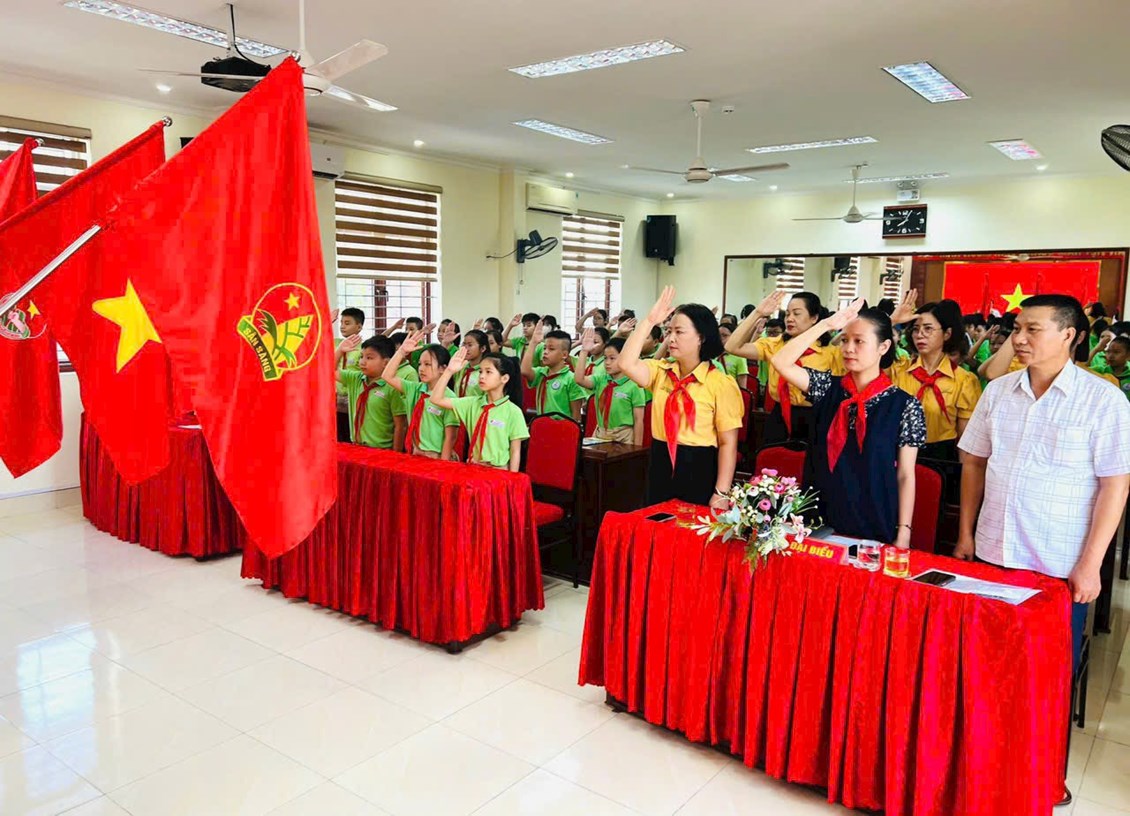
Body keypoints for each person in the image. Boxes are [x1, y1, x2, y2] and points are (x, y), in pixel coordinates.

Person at [956, 296, 1130, 806]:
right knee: (988, 667)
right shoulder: (998, 391)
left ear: (1069, 335)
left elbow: (1115, 485)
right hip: (993, 552)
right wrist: (965, 534)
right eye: (1017, 328)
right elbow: (974, 463)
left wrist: (1091, 565)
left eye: (1033, 329)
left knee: (1047, 681)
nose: (1020, 338)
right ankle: (984, 764)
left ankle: (1042, 774)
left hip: (1057, 564)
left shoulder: (1103, 400)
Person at [772, 299, 925, 546]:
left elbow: (906, 475)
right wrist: (825, 325)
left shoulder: (904, 405)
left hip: (873, 519)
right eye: (844, 340)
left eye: (859, 341)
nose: (848, 348)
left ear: (884, 347)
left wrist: (904, 530)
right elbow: (781, 362)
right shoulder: (827, 388)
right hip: (819, 517)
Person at [617, 287, 744, 508]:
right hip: (660, 459)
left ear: (701, 337)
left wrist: (721, 493)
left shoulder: (721, 383)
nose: (671, 339)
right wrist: (649, 321)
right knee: (656, 522)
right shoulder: (661, 371)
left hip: (699, 465)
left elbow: (728, 443)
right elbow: (625, 363)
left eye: (679, 332)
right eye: (669, 331)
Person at [726, 290, 853, 444]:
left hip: (816, 417)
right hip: (779, 416)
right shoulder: (775, 345)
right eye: (787, 314)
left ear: (814, 318)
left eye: (796, 314)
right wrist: (758, 313)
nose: (790, 318)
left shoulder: (831, 353)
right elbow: (732, 347)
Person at [890, 301, 982, 459]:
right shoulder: (898, 371)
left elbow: (965, 441)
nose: (920, 335)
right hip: (897, 453)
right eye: (915, 329)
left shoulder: (964, 380)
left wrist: (962, 471)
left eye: (928, 328)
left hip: (941, 458)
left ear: (947, 334)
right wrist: (892, 321)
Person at [431, 350, 528, 471]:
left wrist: (512, 478)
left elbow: (515, 451)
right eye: (480, 371)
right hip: (474, 468)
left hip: (499, 471)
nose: (481, 376)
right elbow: (436, 399)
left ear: (504, 378)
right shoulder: (472, 403)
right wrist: (449, 371)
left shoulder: (513, 411)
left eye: (488, 372)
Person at [381, 334, 458, 459]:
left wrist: (443, 465)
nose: (421, 369)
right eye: (420, 364)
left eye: (427, 364)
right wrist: (401, 352)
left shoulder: (449, 398)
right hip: (415, 452)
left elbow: (450, 437)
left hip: (435, 455)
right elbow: (387, 376)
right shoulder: (415, 389)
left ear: (443, 369)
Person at [335, 334, 407, 451]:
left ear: (386, 362)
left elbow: (400, 425)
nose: (362, 362)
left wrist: (396, 455)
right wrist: (339, 351)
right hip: (357, 447)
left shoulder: (393, 387)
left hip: (381, 450)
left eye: (369, 358)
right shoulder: (356, 379)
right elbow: (329, 370)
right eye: (361, 357)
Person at [575, 333, 647, 444]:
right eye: (605, 358)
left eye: (612, 358)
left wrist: (637, 448)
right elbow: (579, 379)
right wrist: (584, 351)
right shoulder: (601, 379)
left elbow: (638, 420)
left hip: (623, 435)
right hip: (601, 433)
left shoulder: (634, 385)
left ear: (626, 358)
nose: (607, 363)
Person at [521, 323, 585, 420]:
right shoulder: (541, 373)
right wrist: (533, 343)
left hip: (562, 427)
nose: (545, 352)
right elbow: (524, 370)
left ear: (564, 355)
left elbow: (576, 416)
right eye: (544, 348)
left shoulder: (571, 379)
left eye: (551, 349)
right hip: (542, 424)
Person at [455, 329, 489, 398]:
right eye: (464, 344)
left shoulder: (486, 371)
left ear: (482, 348)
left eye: (470, 345)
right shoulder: (461, 367)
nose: (465, 348)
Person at [717, 323, 749, 389]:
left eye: (724, 335)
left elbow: (742, 387)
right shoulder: (712, 355)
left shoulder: (739, 357)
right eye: (718, 335)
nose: (720, 338)